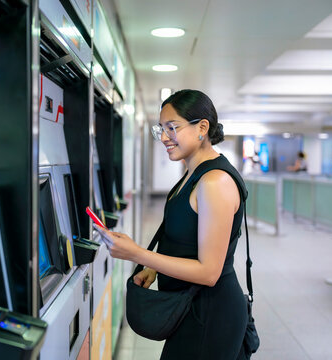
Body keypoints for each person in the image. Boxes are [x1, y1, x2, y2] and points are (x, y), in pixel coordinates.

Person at [94, 89, 249, 359]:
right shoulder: (193, 173)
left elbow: (209, 272)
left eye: (172, 128)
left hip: (210, 313)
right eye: (161, 129)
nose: (164, 137)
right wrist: (153, 270)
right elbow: (184, 240)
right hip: (189, 306)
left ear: (202, 127)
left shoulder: (215, 182)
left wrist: (139, 255)